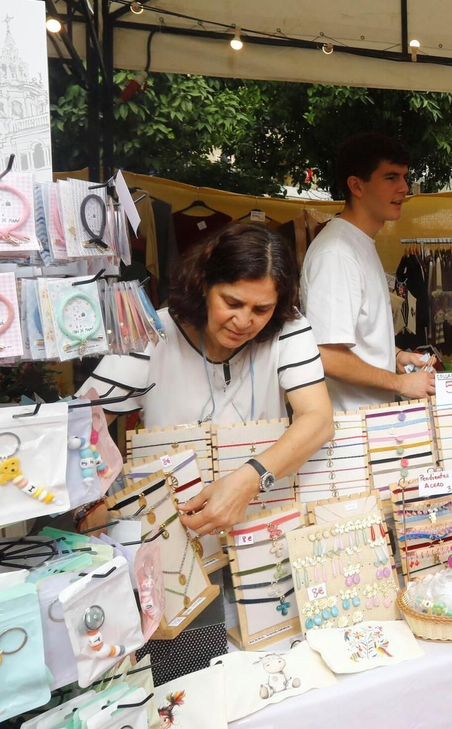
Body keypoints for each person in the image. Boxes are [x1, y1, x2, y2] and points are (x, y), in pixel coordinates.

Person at [84, 222, 333, 535]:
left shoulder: (289, 329)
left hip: (264, 531)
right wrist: (89, 505)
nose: (243, 321)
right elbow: (79, 428)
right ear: (203, 283)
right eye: (231, 303)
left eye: (262, 308)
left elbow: (319, 419)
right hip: (169, 532)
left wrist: (248, 481)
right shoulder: (152, 335)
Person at [300, 133, 436, 412]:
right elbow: (325, 354)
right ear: (356, 186)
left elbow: (355, 337)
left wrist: (395, 355)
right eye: (391, 178)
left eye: (404, 177)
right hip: (348, 432)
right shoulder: (337, 253)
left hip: (369, 425)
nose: (404, 188)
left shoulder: (358, 242)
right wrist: (400, 384)